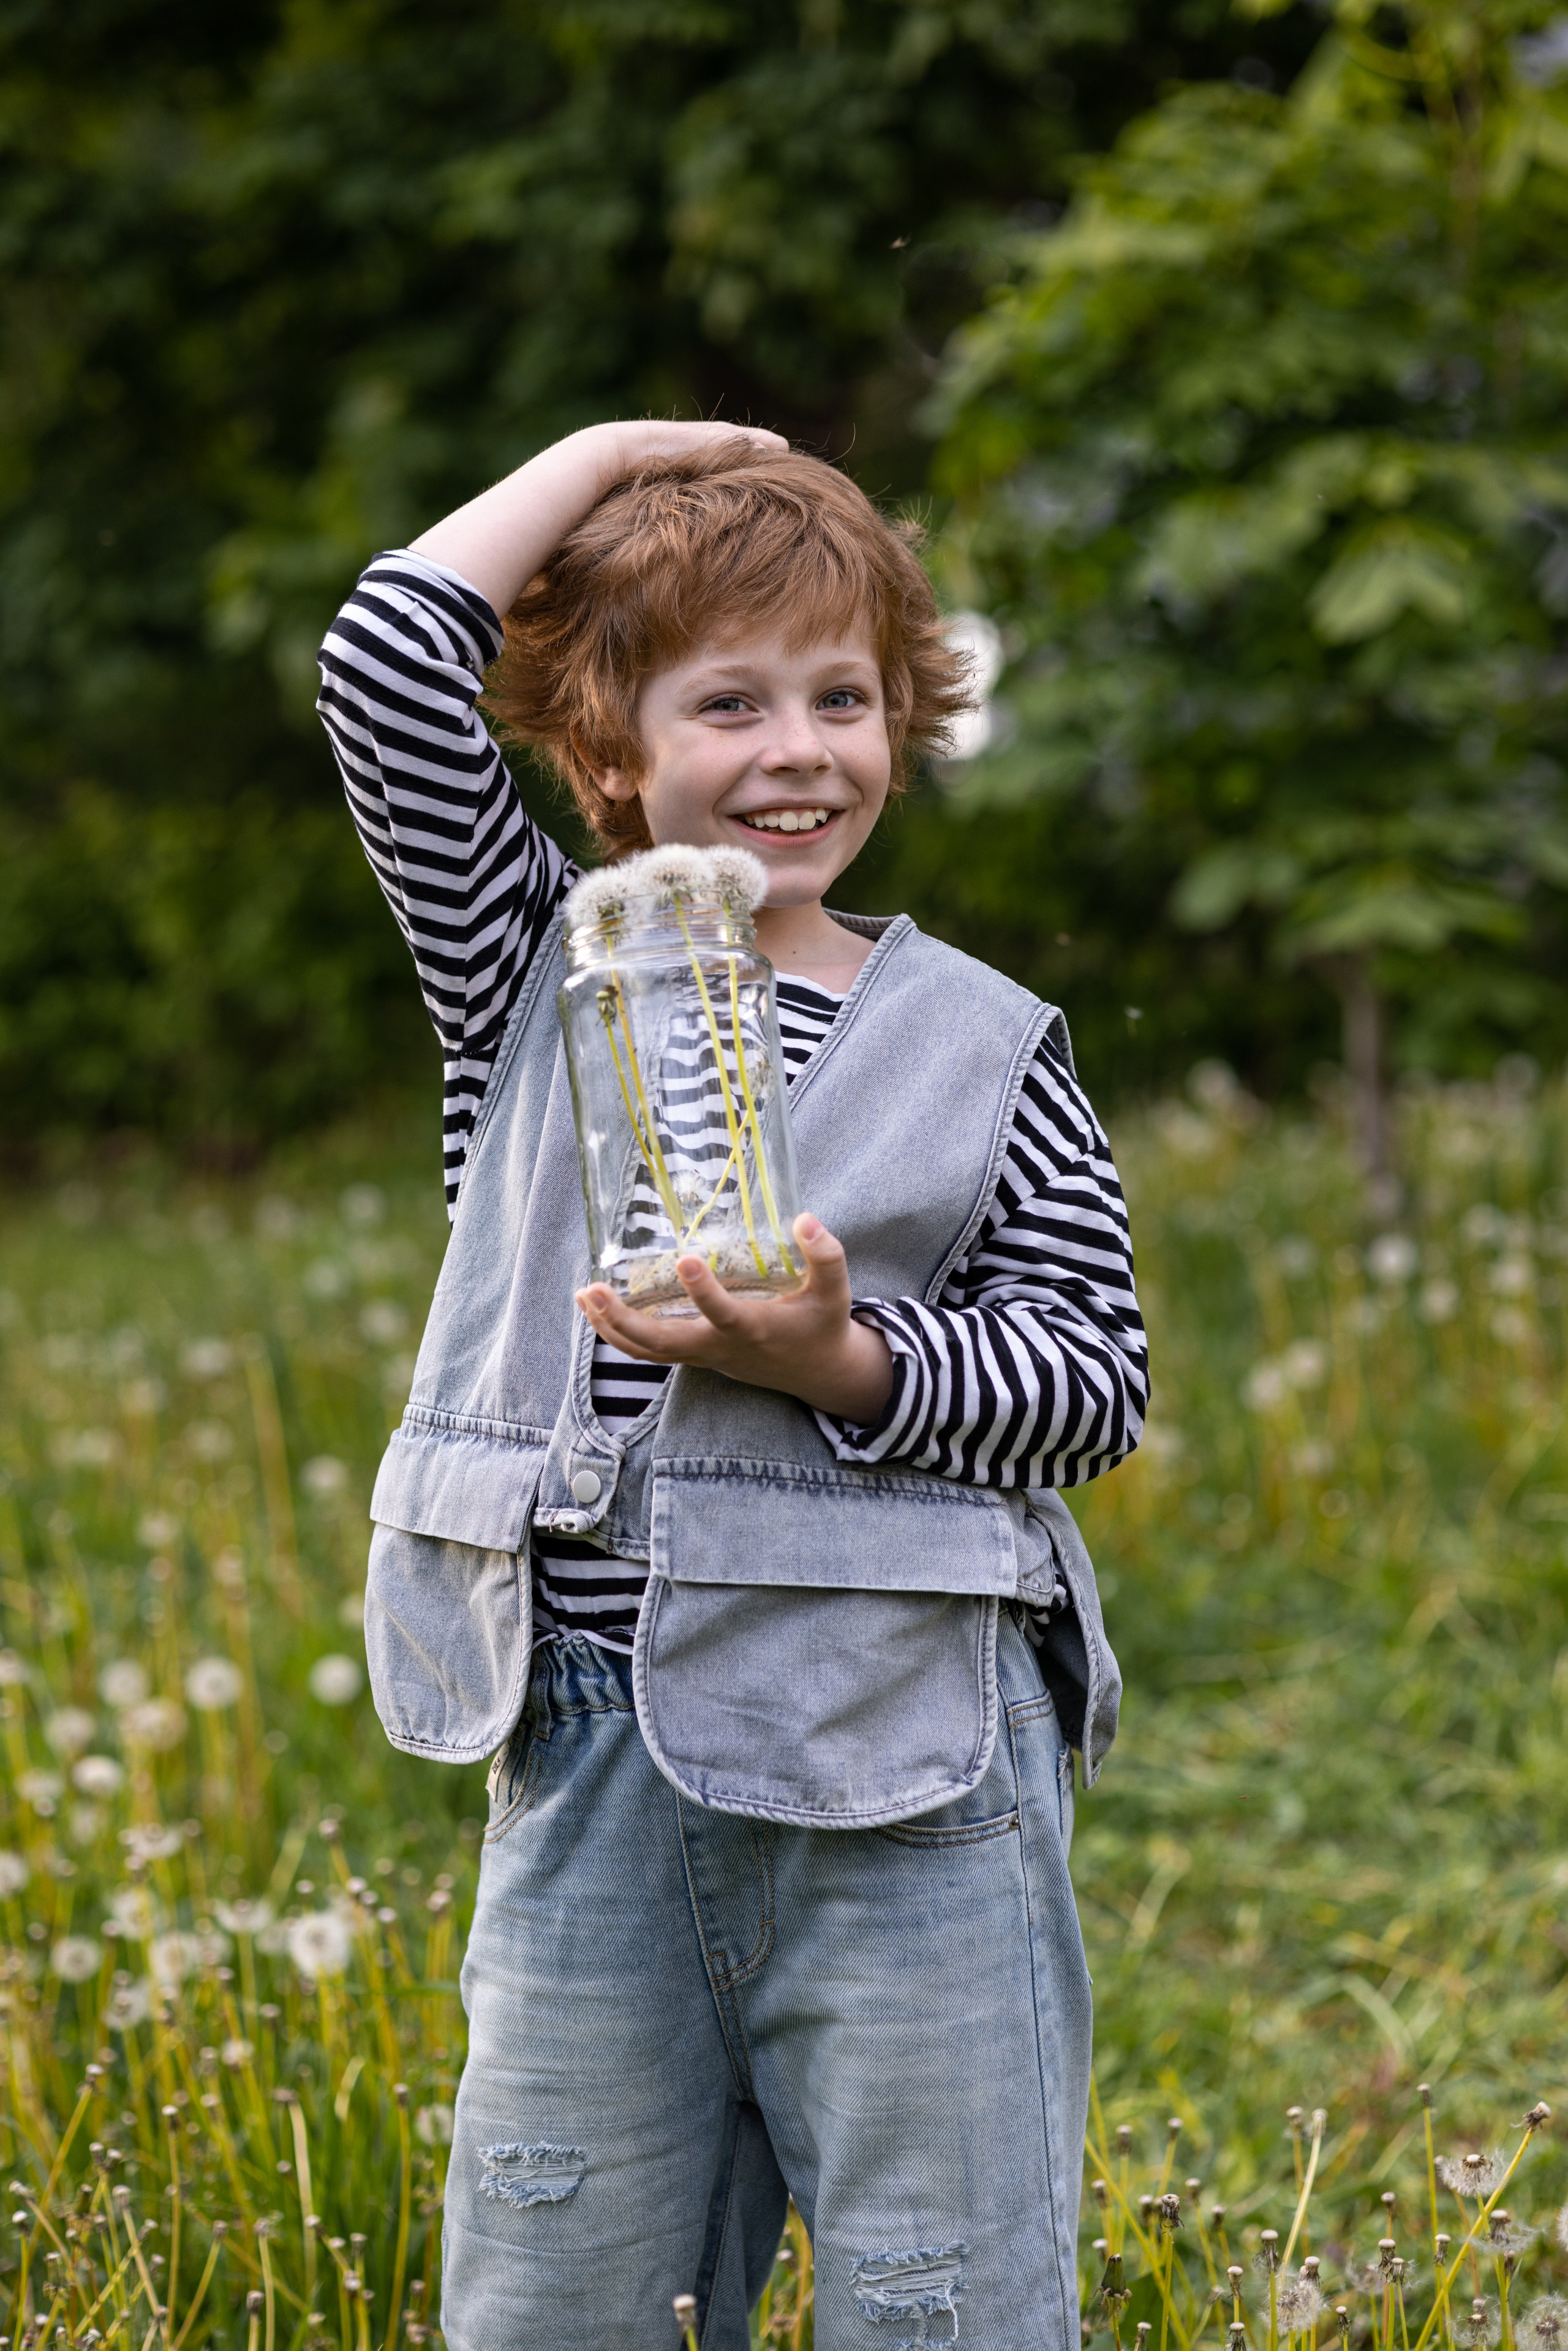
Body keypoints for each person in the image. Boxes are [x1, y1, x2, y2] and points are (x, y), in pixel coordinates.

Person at [316, 420, 1147, 2351]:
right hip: (593, 1755)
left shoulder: (989, 1046)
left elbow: (1089, 1381)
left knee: (942, 2296)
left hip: (912, 1772)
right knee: (553, 2290)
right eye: (730, 700)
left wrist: (841, 1358)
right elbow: (382, 657)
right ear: (609, 751)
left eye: (844, 696)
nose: (800, 750)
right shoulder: (528, 969)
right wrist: (630, 453)